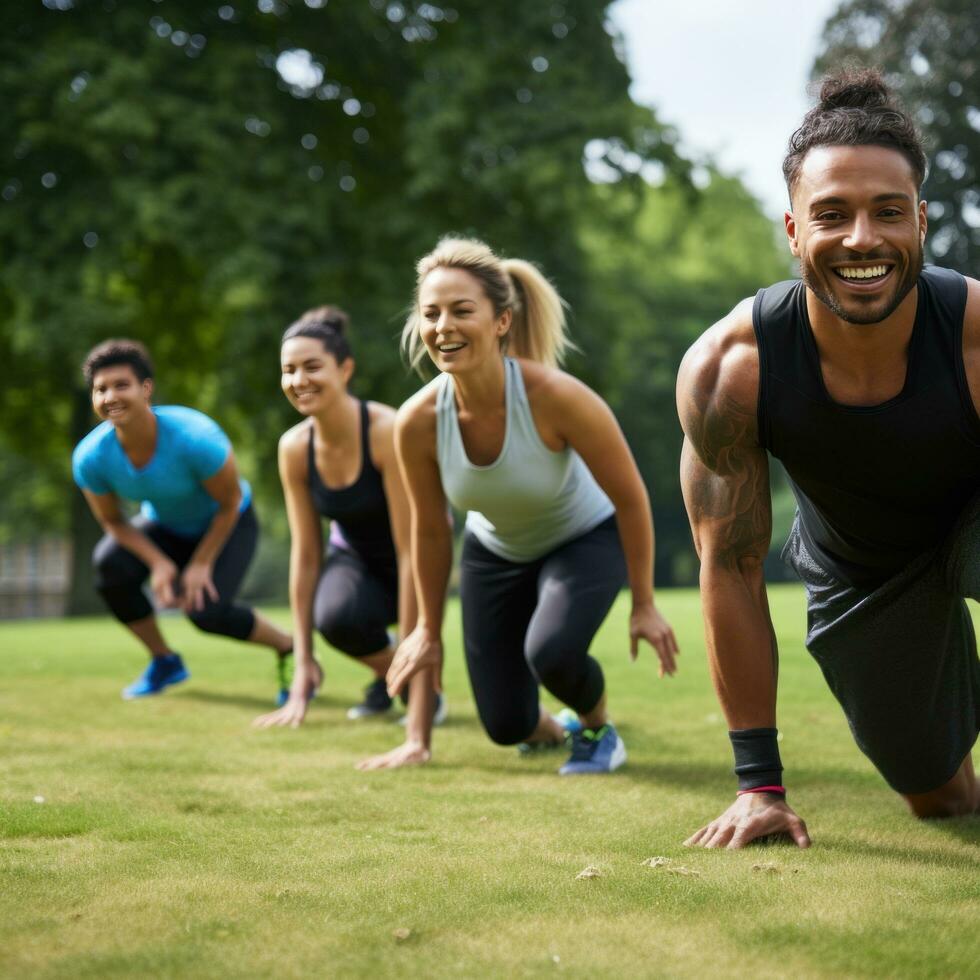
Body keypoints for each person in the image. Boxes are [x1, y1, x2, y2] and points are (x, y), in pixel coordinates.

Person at [677, 68, 980, 849]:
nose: (862, 240)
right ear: (790, 230)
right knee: (935, 792)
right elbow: (731, 565)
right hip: (863, 568)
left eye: (887, 213)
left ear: (921, 218)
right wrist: (759, 786)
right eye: (832, 215)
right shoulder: (731, 371)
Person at [382, 236, 679, 775]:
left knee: (553, 653)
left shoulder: (556, 397)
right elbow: (429, 529)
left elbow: (631, 498)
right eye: (431, 313)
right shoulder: (418, 422)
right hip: (494, 550)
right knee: (504, 724)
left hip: (584, 537)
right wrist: (426, 627)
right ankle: (551, 727)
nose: (443, 326)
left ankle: (596, 728)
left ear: (501, 321)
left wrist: (644, 602)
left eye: (461, 310)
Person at [252, 307, 440, 768]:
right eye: (288, 370)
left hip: (415, 551)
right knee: (336, 616)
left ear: (346, 369)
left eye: (312, 367)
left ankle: (416, 688)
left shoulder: (385, 431)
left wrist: (419, 721)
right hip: (354, 555)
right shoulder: (294, 448)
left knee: (418, 638)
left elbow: (409, 549)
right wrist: (303, 668)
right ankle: (393, 679)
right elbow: (307, 556)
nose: (299, 380)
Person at [72, 339, 294, 700]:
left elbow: (230, 502)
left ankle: (288, 647)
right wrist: (159, 563)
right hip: (166, 526)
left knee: (205, 613)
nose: (110, 396)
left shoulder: (196, 438)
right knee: (109, 564)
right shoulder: (91, 458)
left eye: (121, 385)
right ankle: (165, 661)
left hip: (229, 520)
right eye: (100, 389)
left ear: (146, 388)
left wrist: (201, 562)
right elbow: (114, 522)